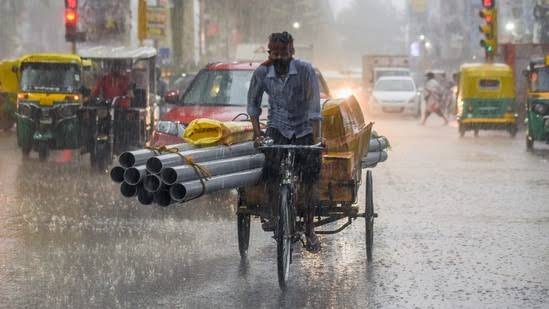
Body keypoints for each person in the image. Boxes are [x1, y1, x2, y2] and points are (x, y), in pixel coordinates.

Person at [247, 31, 322, 253]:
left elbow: (314, 107)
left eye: (284, 53)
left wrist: (317, 140)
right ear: (270, 52)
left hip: (304, 129)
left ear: (292, 52)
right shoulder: (262, 72)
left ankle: (309, 229)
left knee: (310, 177)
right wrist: (257, 132)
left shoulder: (306, 70)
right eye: (275, 53)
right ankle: (273, 213)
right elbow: (253, 104)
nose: (280, 57)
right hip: (277, 129)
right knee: (269, 172)